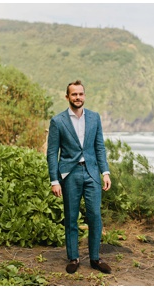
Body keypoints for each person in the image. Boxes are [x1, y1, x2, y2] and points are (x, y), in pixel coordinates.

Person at [47, 80, 113, 274]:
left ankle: (95, 258)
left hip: (91, 172)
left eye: (80, 94)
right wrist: (54, 180)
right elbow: (52, 153)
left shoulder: (94, 118)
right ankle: (74, 257)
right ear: (67, 97)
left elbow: (99, 147)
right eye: (74, 94)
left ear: (85, 95)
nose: (78, 97)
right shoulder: (58, 121)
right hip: (70, 174)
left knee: (95, 216)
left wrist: (105, 172)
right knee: (71, 218)